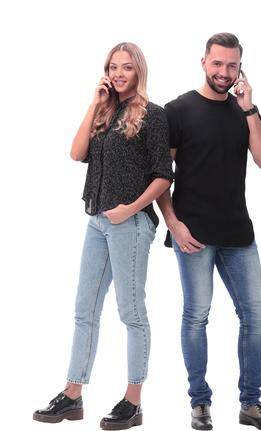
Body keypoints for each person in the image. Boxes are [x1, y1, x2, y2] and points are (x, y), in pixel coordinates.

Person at [32, 42, 171, 431]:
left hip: (130, 223)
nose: (119, 73)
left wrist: (130, 209)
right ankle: (72, 395)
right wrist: (95, 104)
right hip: (96, 221)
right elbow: (76, 154)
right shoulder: (104, 112)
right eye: (113, 67)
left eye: (127, 67)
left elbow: (164, 175)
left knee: (131, 313)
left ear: (138, 71)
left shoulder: (153, 116)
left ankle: (133, 400)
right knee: (84, 309)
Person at [155, 32, 261, 431]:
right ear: (203, 62)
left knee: (256, 316)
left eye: (232, 65)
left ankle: (251, 404)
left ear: (240, 68)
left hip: (238, 232)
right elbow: (160, 176)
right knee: (196, 316)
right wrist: (173, 224)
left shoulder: (244, 111)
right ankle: (200, 402)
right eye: (218, 63)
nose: (224, 72)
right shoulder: (176, 111)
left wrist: (249, 111)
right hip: (193, 232)